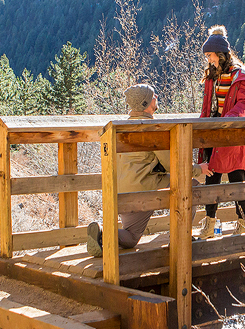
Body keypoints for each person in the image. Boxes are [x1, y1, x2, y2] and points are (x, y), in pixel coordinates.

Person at [86, 84, 201, 256]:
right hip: (142, 188)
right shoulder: (152, 129)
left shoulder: (119, 128)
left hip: (120, 191)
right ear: (146, 102)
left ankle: (103, 234)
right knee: (192, 184)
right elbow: (173, 164)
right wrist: (199, 168)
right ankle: (181, 236)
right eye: (154, 96)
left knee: (131, 238)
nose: (157, 98)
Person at [196, 25, 245, 238]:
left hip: (233, 133)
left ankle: (243, 223)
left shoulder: (239, 75)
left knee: (237, 180)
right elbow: (207, 107)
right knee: (211, 179)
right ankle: (209, 224)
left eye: (210, 55)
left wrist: (229, 121)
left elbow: (244, 103)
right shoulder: (211, 76)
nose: (209, 59)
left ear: (220, 53)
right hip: (213, 133)